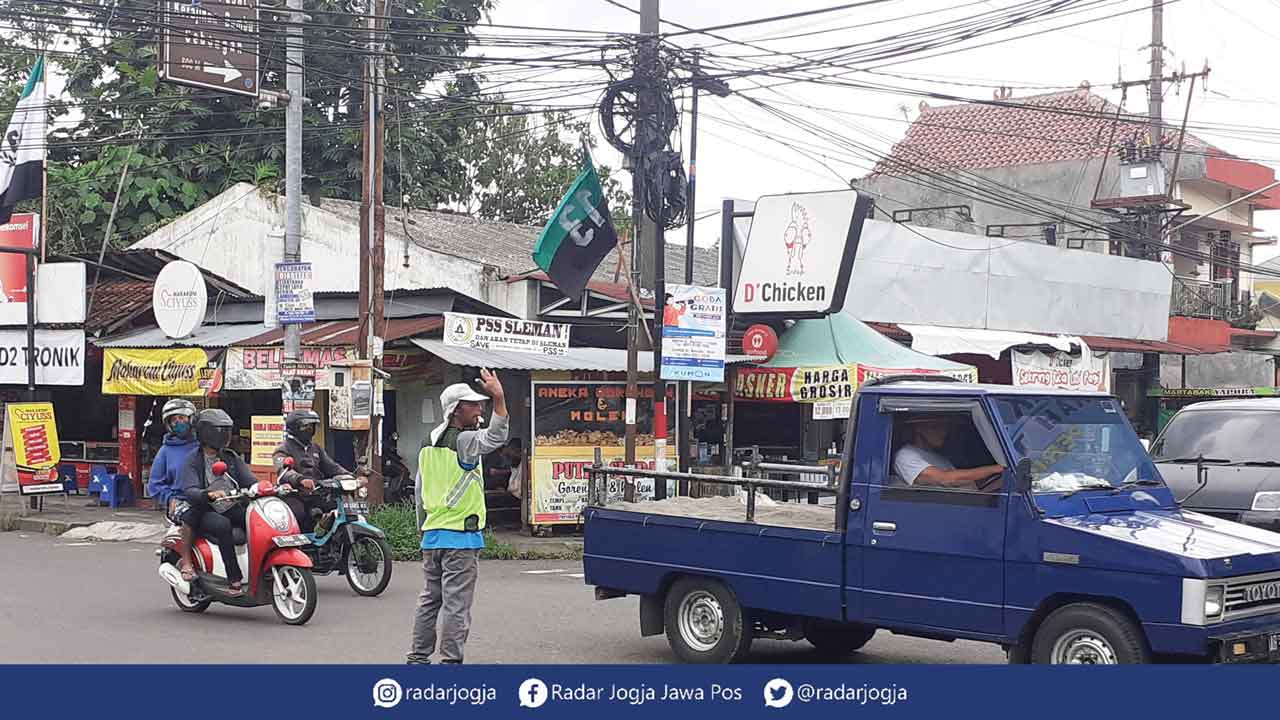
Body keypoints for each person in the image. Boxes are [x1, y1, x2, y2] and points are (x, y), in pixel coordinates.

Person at [407, 368, 508, 665]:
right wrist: (499, 396)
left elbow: (419, 492)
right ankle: (451, 664)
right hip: (460, 539)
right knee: (456, 605)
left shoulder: (427, 444)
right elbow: (497, 435)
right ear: (455, 411)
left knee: (429, 599)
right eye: (473, 405)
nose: (480, 408)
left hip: (433, 535)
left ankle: (418, 658)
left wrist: (421, 528)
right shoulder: (464, 441)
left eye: (482, 403)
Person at [178, 409, 258, 595]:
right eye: (220, 431)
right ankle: (234, 578)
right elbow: (190, 490)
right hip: (205, 509)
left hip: (230, 504)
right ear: (207, 432)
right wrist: (208, 494)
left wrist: (262, 487)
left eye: (226, 431)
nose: (225, 436)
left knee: (254, 518)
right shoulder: (193, 460)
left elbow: (250, 480)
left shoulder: (230, 457)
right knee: (222, 525)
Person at [148, 399, 200, 580]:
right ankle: (186, 562)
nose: (179, 423)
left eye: (183, 418)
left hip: (205, 497)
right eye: (174, 420)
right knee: (190, 516)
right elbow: (154, 485)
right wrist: (170, 498)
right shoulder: (165, 451)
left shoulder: (203, 446)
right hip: (181, 501)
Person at [272, 409, 348, 533]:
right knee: (299, 514)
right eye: (306, 427)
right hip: (295, 495)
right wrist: (300, 479)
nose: (310, 430)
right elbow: (283, 471)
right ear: (295, 428)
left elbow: (332, 467)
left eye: (312, 426)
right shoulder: (283, 449)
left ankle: (334, 544)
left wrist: (350, 477)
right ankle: (299, 546)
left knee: (339, 507)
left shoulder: (316, 448)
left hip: (317, 493)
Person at [893, 416, 1004, 489]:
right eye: (936, 427)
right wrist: (996, 468)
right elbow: (947, 479)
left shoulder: (938, 457)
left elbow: (963, 483)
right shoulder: (905, 456)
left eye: (945, 427)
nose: (943, 432)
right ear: (919, 428)